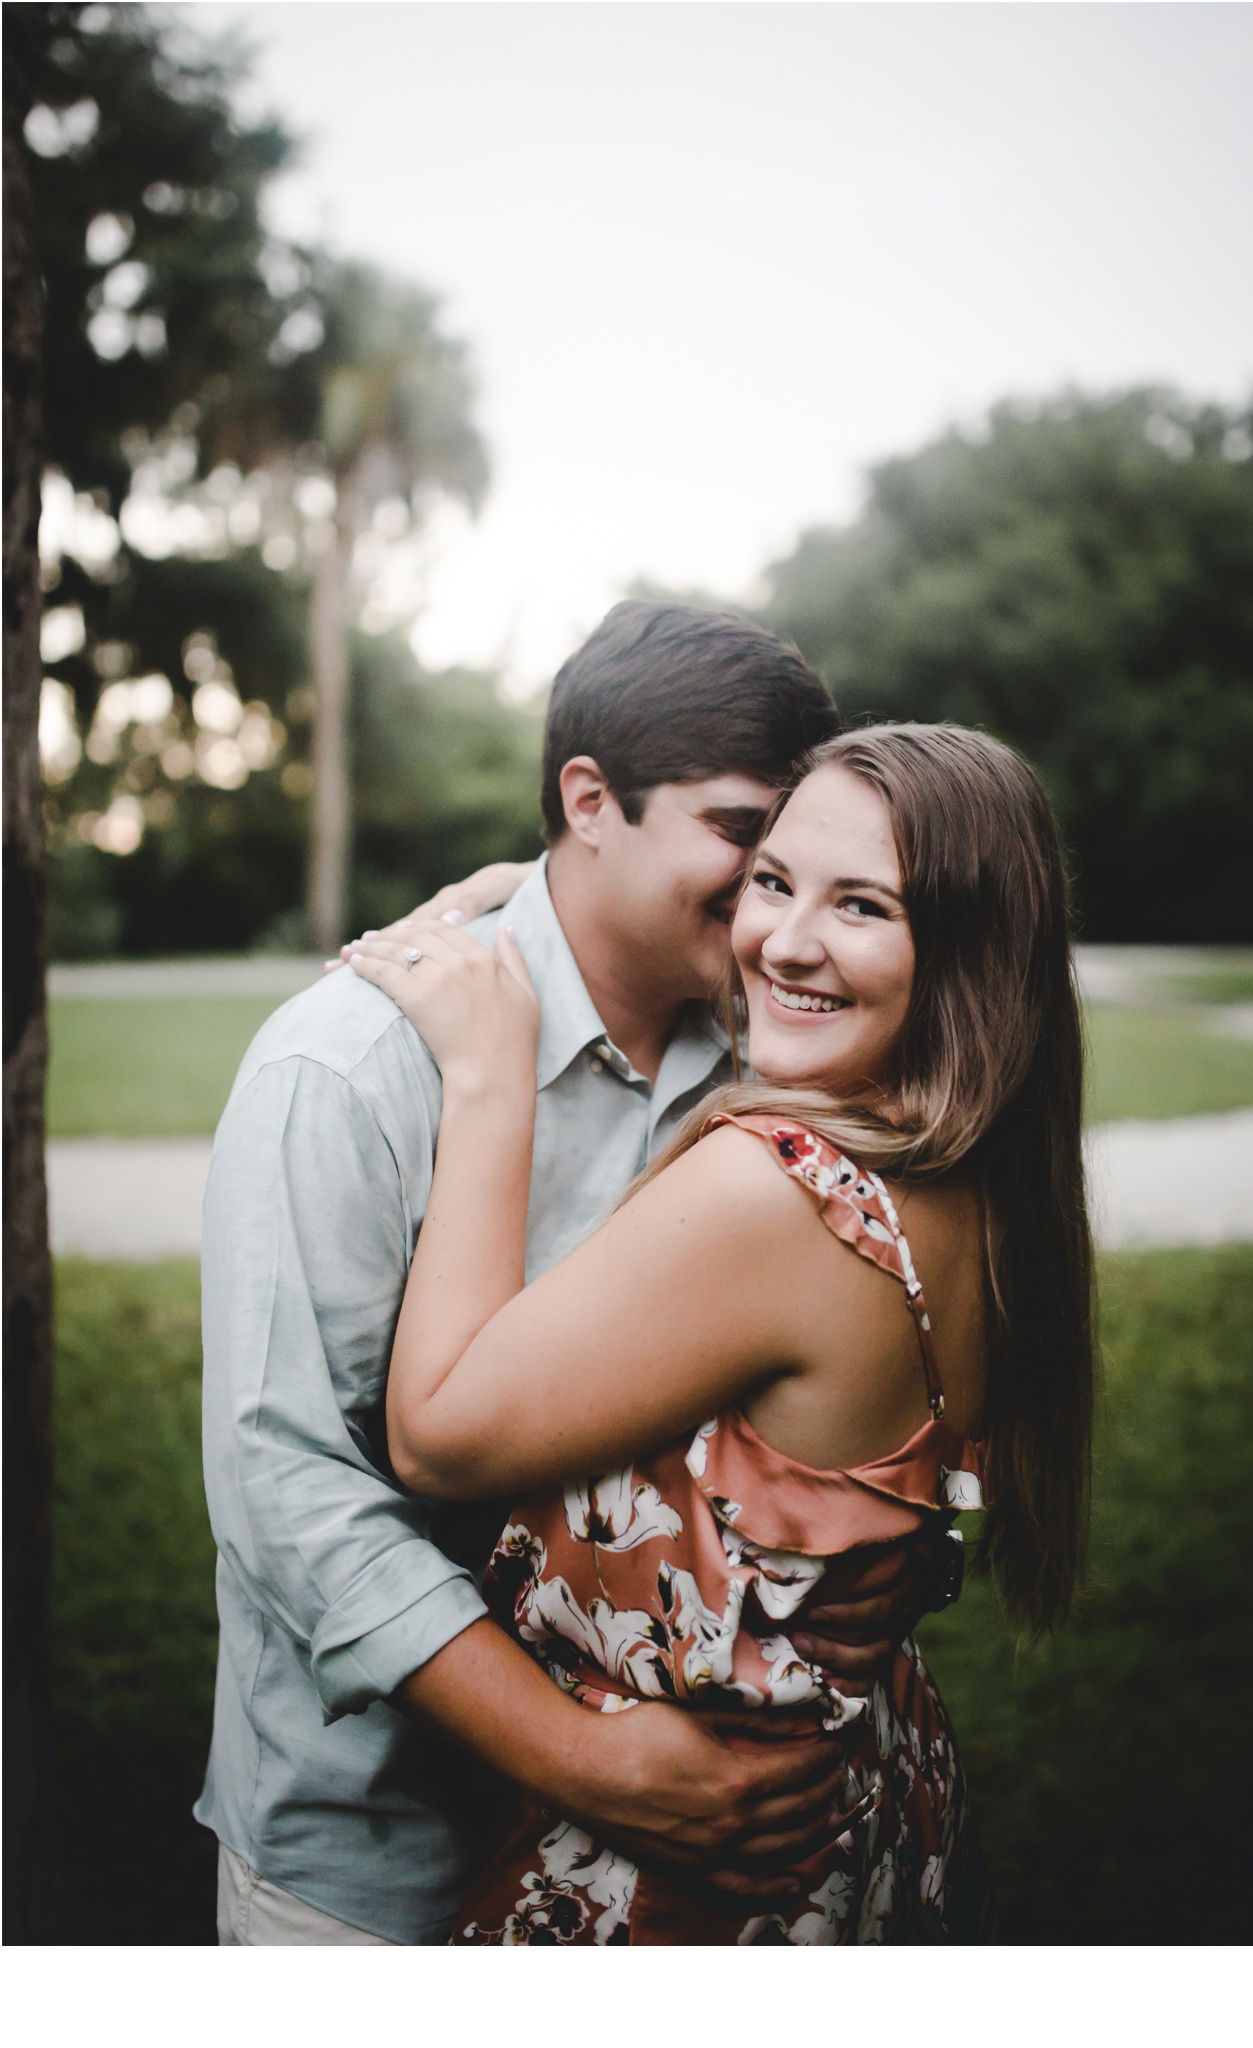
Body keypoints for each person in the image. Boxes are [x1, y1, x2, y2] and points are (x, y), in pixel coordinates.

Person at [196, 602, 950, 1947]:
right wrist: (574, 1756)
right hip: (377, 1858)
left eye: (787, 855)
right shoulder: (351, 1067)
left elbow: (915, 1319)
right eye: (738, 835)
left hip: (691, 1886)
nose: (768, 899)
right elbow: (286, 1491)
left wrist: (905, 1543)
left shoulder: (778, 1051)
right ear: (588, 801)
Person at [346, 720, 1096, 1945]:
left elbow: (436, 1432)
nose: (783, 941)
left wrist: (491, 1075)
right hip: (868, 1810)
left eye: (863, 905)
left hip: (692, 1887)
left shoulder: (779, 1192)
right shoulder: (982, 1184)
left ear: (968, 947)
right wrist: (522, 896)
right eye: (772, 879)